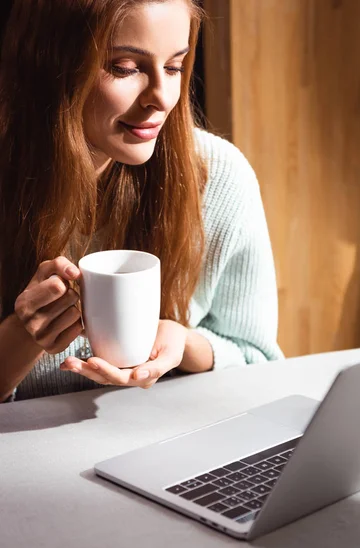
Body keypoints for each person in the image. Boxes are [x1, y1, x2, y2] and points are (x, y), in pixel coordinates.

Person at [0, 0, 283, 402]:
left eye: (174, 67)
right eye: (126, 68)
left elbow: (261, 363)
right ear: (50, 61)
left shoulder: (218, 176)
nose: (162, 98)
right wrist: (22, 336)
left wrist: (185, 345)